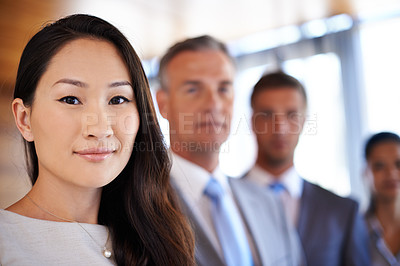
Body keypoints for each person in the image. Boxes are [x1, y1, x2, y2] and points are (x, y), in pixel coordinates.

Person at [0, 14, 194, 266]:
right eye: (71, 99)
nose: (100, 128)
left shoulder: (159, 239)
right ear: (25, 119)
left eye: (118, 99)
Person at [156, 35, 302, 266]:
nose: (213, 104)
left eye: (223, 88)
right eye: (193, 89)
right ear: (163, 104)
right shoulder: (139, 206)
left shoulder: (268, 203)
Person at [245, 71, 371, 266]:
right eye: (267, 115)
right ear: (253, 122)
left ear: (304, 121)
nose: (280, 128)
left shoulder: (342, 211)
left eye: (291, 115)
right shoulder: (222, 204)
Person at [364, 132, 400, 265]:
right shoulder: (354, 230)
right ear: (365, 173)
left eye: (398, 164)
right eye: (379, 166)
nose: (391, 173)